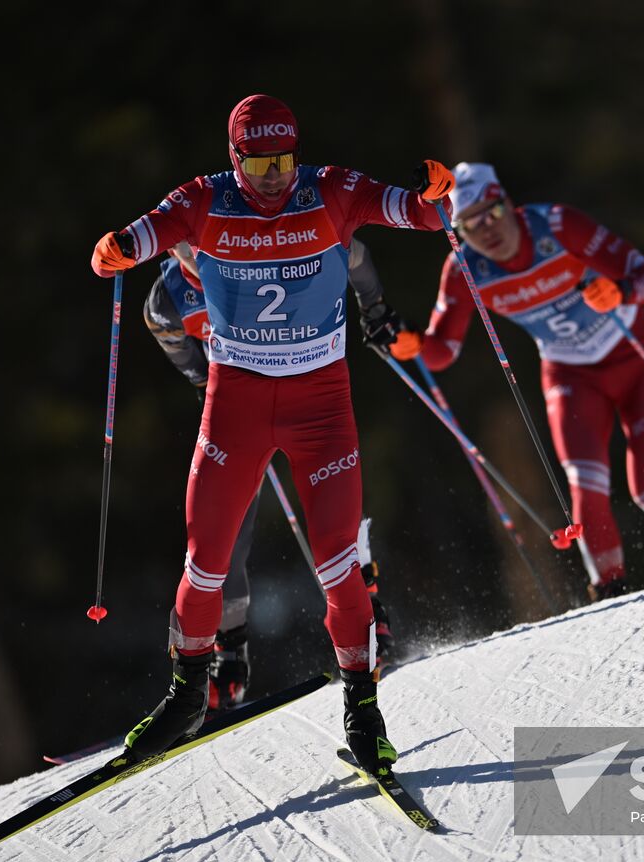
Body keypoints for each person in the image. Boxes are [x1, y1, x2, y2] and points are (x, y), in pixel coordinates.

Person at [91, 93, 453, 777]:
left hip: (322, 408)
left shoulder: (332, 189)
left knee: (340, 566)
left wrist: (442, 194)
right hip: (237, 404)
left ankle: (364, 708)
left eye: (284, 159)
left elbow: (422, 213)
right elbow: (139, 239)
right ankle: (186, 694)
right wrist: (114, 250)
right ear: (235, 158)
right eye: (259, 163)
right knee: (206, 559)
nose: (274, 176)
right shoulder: (205, 200)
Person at [413, 163, 644, 604]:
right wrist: (406, 343)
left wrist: (620, 292)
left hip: (632, 351)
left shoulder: (557, 225)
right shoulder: (464, 267)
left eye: (493, 212)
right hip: (570, 373)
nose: (487, 230)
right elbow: (441, 350)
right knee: (586, 489)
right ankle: (610, 591)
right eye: (470, 224)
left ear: (510, 205)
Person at [141, 238, 401, 712]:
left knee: (334, 507)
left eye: (209, 244)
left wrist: (374, 306)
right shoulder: (169, 296)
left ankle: (369, 610)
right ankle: (229, 652)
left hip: (308, 397)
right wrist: (204, 381)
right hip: (242, 410)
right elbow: (169, 335)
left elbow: (354, 254)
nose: (202, 257)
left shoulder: (269, 254)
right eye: (189, 249)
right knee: (226, 529)